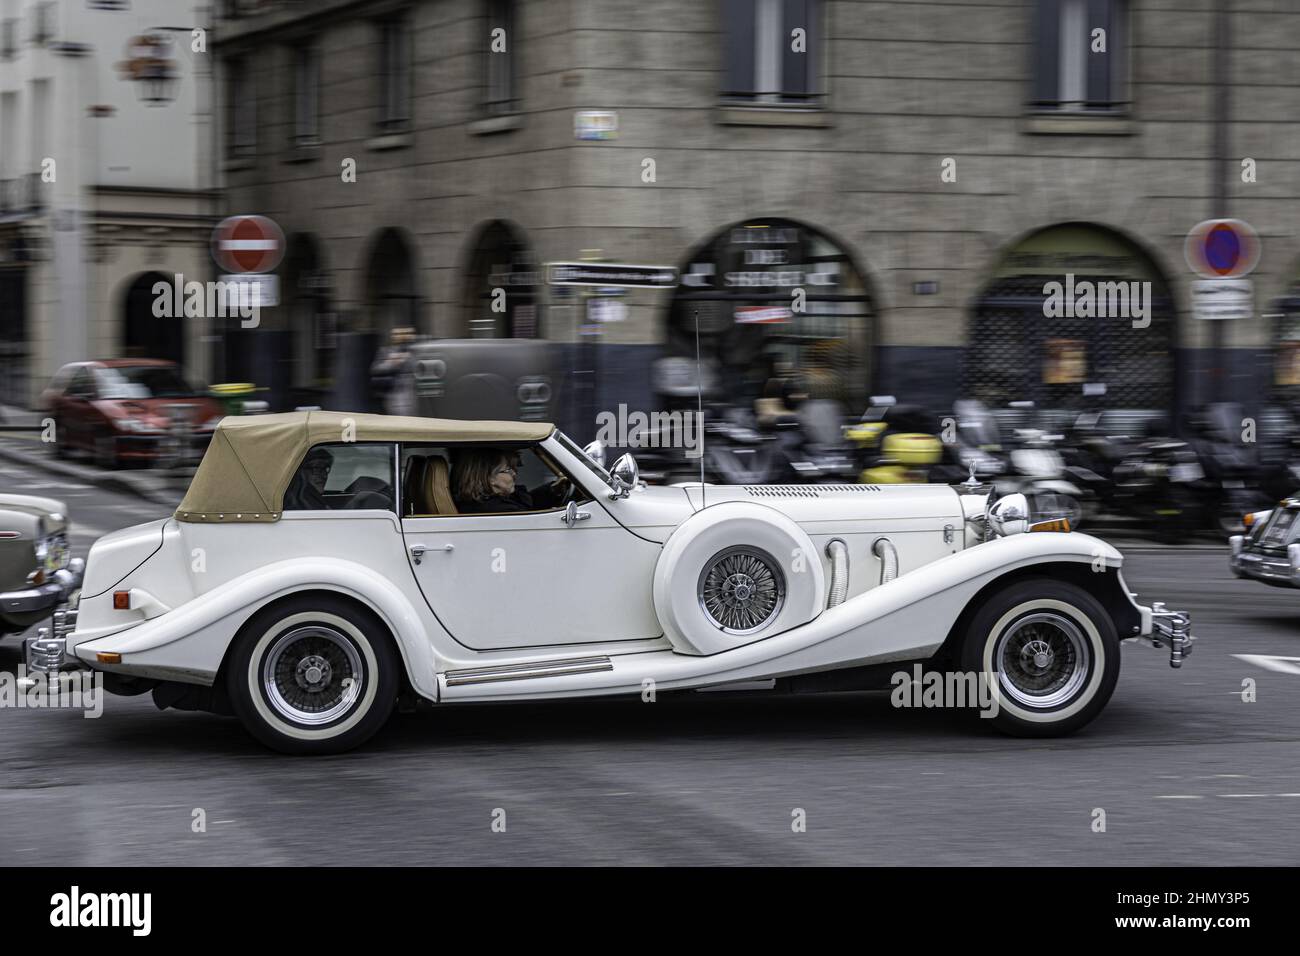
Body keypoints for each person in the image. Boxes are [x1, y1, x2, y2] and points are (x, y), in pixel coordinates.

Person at [452, 448, 570, 514]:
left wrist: (553, 489)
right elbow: (528, 514)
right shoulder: (500, 510)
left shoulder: (488, 501)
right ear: (489, 478)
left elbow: (527, 501)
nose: (514, 473)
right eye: (508, 469)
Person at [370, 326, 417, 416]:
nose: (402, 337)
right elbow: (376, 369)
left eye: (406, 334)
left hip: (413, 391)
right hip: (395, 392)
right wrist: (391, 363)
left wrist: (409, 358)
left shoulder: (416, 350)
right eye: (398, 334)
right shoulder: (386, 351)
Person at [284, 446, 333, 510]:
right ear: (301, 472)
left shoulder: (306, 497)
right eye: (316, 468)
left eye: (325, 468)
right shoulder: (300, 501)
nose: (324, 475)